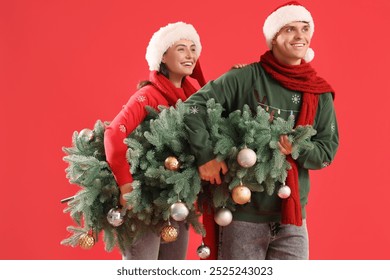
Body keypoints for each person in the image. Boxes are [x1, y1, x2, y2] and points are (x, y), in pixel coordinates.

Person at [183, 1, 339, 260]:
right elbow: (192, 108)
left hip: (293, 218)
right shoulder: (245, 78)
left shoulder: (319, 92)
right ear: (274, 38)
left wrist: (297, 147)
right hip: (243, 214)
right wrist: (205, 156)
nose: (300, 36)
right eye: (289, 29)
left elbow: (327, 150)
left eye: (305, 28)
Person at [104, 21, 206, 260]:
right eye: (181, 48)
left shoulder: (193, 101)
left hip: (178, 203)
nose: (190, 54)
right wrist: (126, 185)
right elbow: (113, 134)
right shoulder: (148, 95)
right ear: (163, 56)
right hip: (146, 203)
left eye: (193, 49)